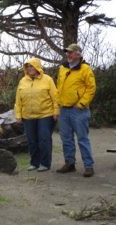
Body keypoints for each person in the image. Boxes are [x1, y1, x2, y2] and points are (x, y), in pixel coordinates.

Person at [56, 43, 96, 177]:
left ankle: (88, 166)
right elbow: (59, 87)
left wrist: (81, 104)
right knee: (66, 139)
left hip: (79, 111)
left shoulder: (85, 69)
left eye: (71, 52)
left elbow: (91, 89)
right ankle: (69, 163)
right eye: (67, 52)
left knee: (82, 139)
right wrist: (58, 104)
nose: (68, 54)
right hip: (63, 110)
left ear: (78, 54)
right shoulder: (62, 68)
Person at [15, 57, 59, 172]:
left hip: (45, 115)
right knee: (31, 140)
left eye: (31, 66)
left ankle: (45, 163)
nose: (29, 68)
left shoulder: (47, 79)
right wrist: (18, 115)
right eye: (28, 66)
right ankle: (34, 163)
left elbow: (55, 97)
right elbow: (18, 100)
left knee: (44, 139)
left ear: (37, 67)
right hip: (28, 116)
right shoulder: (22, 81)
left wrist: (56, 112)